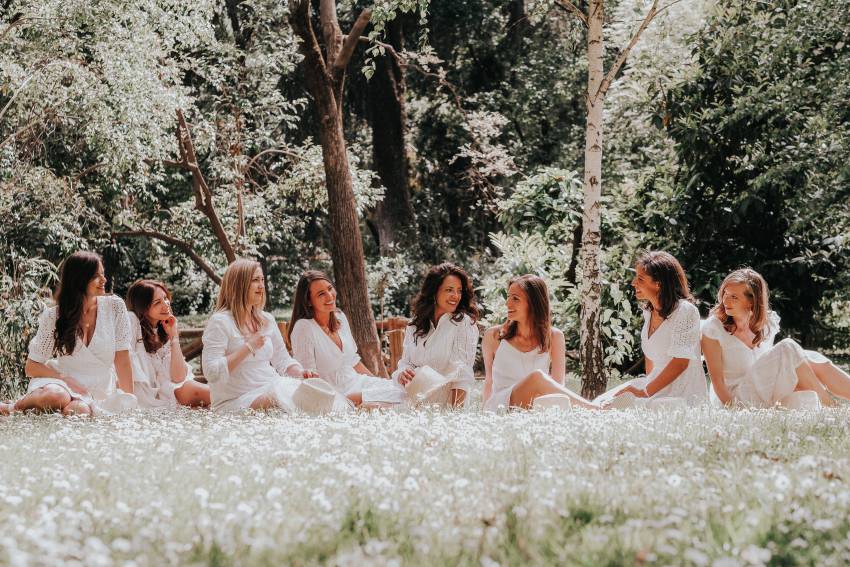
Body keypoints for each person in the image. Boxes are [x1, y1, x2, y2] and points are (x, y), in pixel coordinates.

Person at [1, 251, 136, 416]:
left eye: (103, 274)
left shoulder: (115, 307)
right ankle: (12, 407)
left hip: (97, 388)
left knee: (78, 412)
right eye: (96, 276)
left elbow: (122, 360)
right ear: (79, 279)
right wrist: (64, 379)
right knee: (55, 397)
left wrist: (129, 402)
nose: (104, 280)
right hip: (59, 383)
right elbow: (31, 367)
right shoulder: (54, 316)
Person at [202, 259, 344, 412]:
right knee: (281, 400)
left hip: (270, 387)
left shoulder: (266, 319)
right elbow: (211, 372)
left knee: (316, 393)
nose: (262, 286)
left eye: (262, 280)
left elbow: (282, 360)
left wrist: (301, 373)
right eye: (255, 280)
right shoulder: (220, 322)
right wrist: (248, 347)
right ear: (239, 284)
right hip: (235, 400)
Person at [701, 268, 850, 408]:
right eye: (725, 294)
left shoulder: (767, 324)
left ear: (752, 301)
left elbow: (768, 366)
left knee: (811, 357)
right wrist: (735, 410)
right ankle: (830, 407)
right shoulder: (714, 329)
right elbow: (718, 383)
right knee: (788, 347)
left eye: (734, 297)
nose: (726, 301)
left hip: (764, 387)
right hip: (736, 397)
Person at [594, 251, 707, 408]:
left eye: (640, 279)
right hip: (652, 386)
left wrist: (645, 393)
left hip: (681, 392)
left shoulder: (685, 311)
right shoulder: (648, 313)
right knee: (599, 404)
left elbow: (680, 363)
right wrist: (643, 390)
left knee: (614, 408)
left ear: (659, 284)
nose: (633, 283)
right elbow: (650, 362)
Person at [482, 274, 599, 411]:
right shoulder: (494, 336)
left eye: (515, 298)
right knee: (537, 377)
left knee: (539, 382)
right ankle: (593, 409)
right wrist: (483, 413)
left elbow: (557, 385)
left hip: (536, 404)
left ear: (533, 303)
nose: (508, 303)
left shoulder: (554, 337)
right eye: (508, 297)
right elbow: (489, 380)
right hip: (500, 404)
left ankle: (590, 409)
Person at [288, 270, 405, 407]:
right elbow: (309, 379)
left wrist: (377, 382)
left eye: (330, 288)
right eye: (321, 294)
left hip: (358, 383)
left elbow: (353, 361)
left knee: (401, 390)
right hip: (336, 395)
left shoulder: (339, 317)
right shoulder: (304, 328)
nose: (329, 296)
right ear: (308, 301)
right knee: (390, 402)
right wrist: (339, 401)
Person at [392, 263, 480, 407]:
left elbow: (462, 374)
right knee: (363, 399)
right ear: (434, 292)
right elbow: (405, 363)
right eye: (449, 290)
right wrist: (402, 373)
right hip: (411, 395)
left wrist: (455, 415)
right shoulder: (415, 324)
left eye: (459, 291)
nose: (456, 296)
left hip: (442, 402)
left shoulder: (463, 323)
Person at [125, 280, 210, 408]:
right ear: (143, 308)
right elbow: (123, 361)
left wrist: (173, 336)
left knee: (215, 395)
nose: (166, 305)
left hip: (173, 392)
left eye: (165, 298)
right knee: (216, 396)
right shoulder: (131, 321)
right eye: (157, 302)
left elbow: (179, 378)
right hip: (147, 397)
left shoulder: (164, 330)